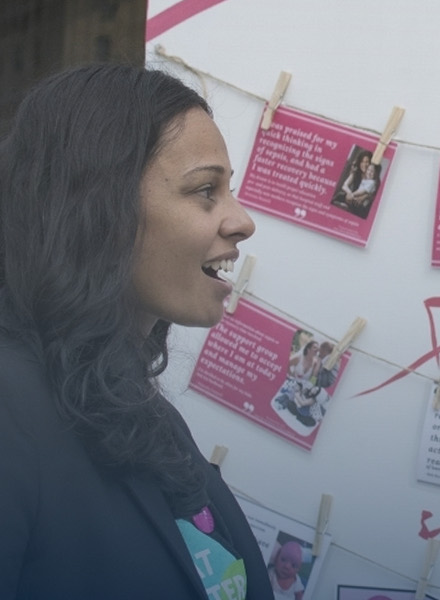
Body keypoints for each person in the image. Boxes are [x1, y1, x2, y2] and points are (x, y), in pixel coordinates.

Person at [0, 65, 272, 597]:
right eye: (205, 191)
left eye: (229, 190)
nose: (242, 221)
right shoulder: (10, 407)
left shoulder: (139, 411)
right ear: (97, 208)